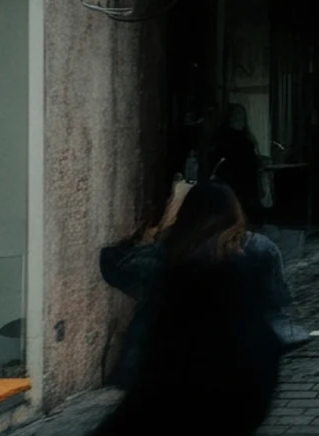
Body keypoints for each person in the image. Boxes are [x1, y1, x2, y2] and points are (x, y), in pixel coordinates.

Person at [97, 182, 299, 436]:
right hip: (246, 380)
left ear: (186, 214)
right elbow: (278, 302)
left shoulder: (168, 255)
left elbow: (113, 266)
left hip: (178, 383)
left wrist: (148, 230)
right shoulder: (261, 249)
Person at [210, 104, 265, 228]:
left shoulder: (246, 136)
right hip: (234, 181)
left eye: (241, 116)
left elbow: (254, 157)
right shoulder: (224, 136)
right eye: (235, 115)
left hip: (247, 182)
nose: (238, 118)